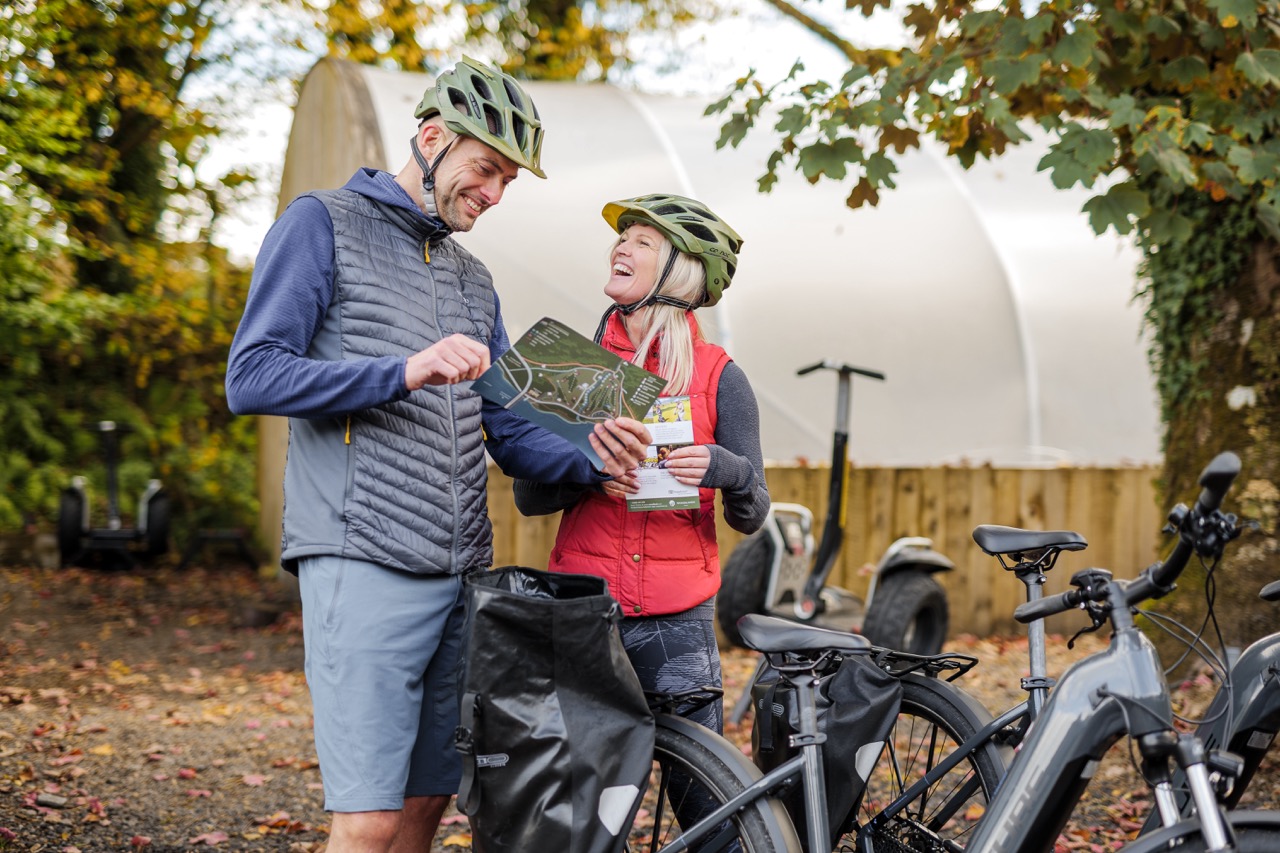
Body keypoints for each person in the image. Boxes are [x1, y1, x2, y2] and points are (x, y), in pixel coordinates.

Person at [224, 57, 650, 853]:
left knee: (427, 800)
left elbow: (509, 428)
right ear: (430, 139)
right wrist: (403, 370)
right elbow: (251, 376)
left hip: (460, 574)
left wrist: (597, 455)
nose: (493, 193)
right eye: (485, 169)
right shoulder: (320, 223)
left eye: (507, 182)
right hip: (361, 551)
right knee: (370, 817)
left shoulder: (473, 279)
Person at [514, 193, 769, 738]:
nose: (620, 248)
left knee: (700, 780)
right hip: (584, 610)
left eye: (642, 242)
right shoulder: (575, 368)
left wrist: (725, 469)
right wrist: (591, 471)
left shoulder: (721, 377)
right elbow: (527, 497)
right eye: (621, 238)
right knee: (588, 782)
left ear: (680, 271)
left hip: (679, 618)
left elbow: (752, 515)